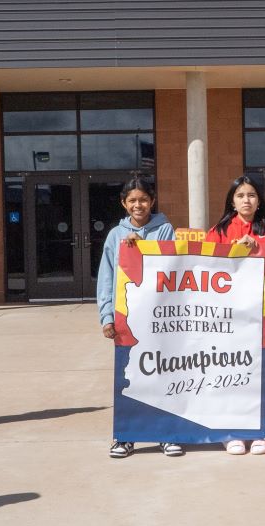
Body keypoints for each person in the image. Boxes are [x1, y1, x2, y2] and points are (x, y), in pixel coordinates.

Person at [206, 176, 265, 456]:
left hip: (260, 316)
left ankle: (262, 432)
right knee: (228, 373)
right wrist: (235, 251)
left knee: (260, 373)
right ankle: (232, 432)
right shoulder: (219, 231)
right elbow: (205, 268)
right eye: (240, 195)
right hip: (226, 318)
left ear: (259, 200)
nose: (246, 200)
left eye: (251, 195)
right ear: (232, 200)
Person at [97, 178, 179, 458]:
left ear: (152, 201)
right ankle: (126, 436)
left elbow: (170, 266)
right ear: (124, 204)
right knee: (129, 377)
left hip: (160, 316)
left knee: (163, 375)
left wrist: (141, 245)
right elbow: (106, 279)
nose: (138, 205)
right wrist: (106, 316)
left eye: (143, 199)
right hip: (127, 318)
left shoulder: (165, 229)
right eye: (132, 200)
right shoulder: (114, 235)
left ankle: (167, 434)